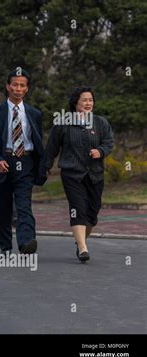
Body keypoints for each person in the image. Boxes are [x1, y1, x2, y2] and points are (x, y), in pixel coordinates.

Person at [45, 86, 113, 262]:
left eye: (91, 100)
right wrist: (44, 168)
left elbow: (109, 142)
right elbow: (51, 148)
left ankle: (80, 241)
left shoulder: (101, 123)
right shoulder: (63, 123)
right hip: (72, 174)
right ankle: (83, 248)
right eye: (85, 100)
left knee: (93, 212)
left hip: (95, 174)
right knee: (77, 208)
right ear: (76, 102)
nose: (88, 103)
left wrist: (101, 151)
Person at [0, 69, 47, 255]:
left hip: (25, 162)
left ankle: (26, 242)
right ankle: (6, 247)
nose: (18, 89)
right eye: (15, 85)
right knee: (2, 208)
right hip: (4, 162)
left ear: (27, 89)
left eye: (22, 85)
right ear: (8, 86)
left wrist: (41, 165)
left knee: (24, 204)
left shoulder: (34, 113)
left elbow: (37, 140)